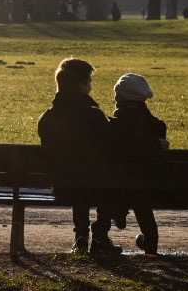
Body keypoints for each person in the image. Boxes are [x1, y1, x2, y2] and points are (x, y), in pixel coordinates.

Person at [37, 57, 121, 256]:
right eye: (89, 82)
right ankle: (100, 237)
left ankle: (81, 238)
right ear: (81, 85)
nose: (91, 87)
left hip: (62, 186)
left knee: (77, 177)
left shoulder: (48, 118)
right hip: (97, 188)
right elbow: (110, 152)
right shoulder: (94, 116)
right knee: (101, 177)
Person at [106, 73, 169, 255]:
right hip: (149, 186)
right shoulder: (158, 126)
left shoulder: (112, 126)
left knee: (122, 182)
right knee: (140, 190)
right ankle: (150, 242)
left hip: (116, 187)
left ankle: (118, 211)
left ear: (120, 98)